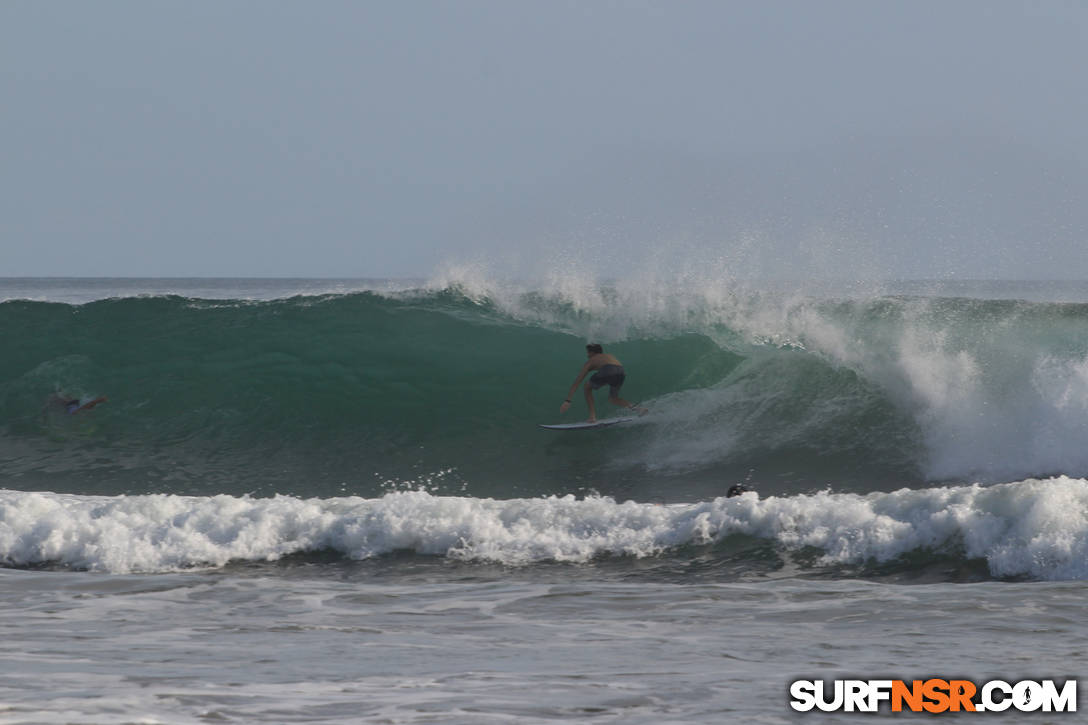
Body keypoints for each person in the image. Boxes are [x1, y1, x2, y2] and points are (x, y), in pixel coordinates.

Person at [559, 343, 647, 422]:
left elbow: (578, 381)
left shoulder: (591, 360)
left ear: (592, 353)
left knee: (586, 387)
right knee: (613, 398)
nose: (587, 355)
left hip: (608, 370)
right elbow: (613, 368)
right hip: (621, 372)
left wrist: (568, 400)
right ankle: (639, 409)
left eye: (588, 353)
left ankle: (592, 417)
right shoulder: (609, 356)